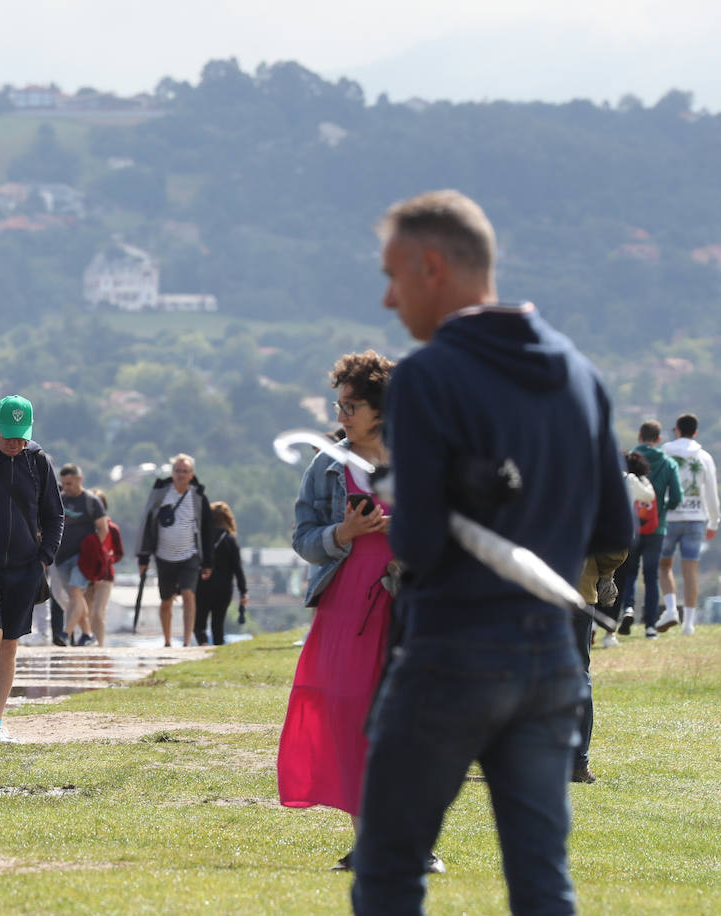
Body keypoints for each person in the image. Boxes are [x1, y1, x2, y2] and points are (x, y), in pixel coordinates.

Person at [353, 190, 633, 914]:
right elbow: (616, 531)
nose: (388, 298)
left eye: (393, 275)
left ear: (433, 267)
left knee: (389, 869)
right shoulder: (580, 373)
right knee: (542, 883)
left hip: (451, 651)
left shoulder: (426, 376)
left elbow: (412, 542)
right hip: (551, 659)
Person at [279, 351, 411, 871]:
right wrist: (343, 533)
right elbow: (303, 538)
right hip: (346, 603)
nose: (341, 416)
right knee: (347, 716)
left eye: (351, 405)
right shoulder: (326, 465)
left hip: (408, 605)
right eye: (338, 405)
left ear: (380, 408)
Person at [0, 395, 63, 744]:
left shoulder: (38, 462)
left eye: (21, 436)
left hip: (25, 567)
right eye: (9, 435)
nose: (15, 443)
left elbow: (54, 514)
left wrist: (44, 558)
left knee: (9, 644)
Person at [137, 454, 213, 647]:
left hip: (190, 554)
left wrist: (208, 562)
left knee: (189, 594)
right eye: (178, 471)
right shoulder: (161, 494)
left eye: (185, 471)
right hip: (164, 555)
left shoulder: (198, 497)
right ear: (172, 473)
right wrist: (143, 557)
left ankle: (187, 641)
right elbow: (147, 522)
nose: (181, 475)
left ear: (191, 474)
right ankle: (168, 641)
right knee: (166, 600)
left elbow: (207, 529)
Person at [658, 413, 719, 634]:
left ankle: (672, 608)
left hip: (669, 517)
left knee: (664, 566)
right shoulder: (703, 457)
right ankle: (689, 624)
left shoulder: (665, 453)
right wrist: (714, 521)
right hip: (696, 518)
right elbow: (711, 492)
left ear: (677, 430)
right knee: (690, 569)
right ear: (695, 432)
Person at [571, 550, 625, 783]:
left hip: (528, 589)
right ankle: (578, 764)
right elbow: (616, 547)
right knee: (578, 676)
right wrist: (601, 572)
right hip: (580, 590)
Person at [630, 421, 681, 638]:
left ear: (640, 436)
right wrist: (662, 509)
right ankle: (650, 626)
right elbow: (677, 497)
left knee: (628, 573)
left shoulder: (629, 459)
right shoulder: (668, 463)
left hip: (630, 525)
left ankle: (626, 611)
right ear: (659, 439)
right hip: (657, 527)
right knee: (651, 576)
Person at [50, 464, 107, 647]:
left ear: (79, 480)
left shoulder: (91, 501)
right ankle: (88, 634)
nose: (67, 488)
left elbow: (103, 528)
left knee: (75, 592)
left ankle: (65, 634)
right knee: (76, 597)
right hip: (61, 557)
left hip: (82, 558)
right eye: (64, 484)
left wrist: (93, 552)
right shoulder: (60, 500)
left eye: (70, 483)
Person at [607, 451, 657, 642]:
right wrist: (642, 477)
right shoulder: (630, 480)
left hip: (598, 537)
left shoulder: (602, 474)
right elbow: (649, 495)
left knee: (593, 581)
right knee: (619, 581)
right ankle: (610, 631)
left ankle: (593, 624)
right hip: (624, 537)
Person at [193, 501, 247, 647]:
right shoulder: (230, 540)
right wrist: (243, 592)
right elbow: (238, 568)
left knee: (199, 625)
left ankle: (204, 647)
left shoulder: (202, 539)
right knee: (218, 625)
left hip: (203, 585)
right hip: (224, 589)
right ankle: (216, 652)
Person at [80, 488, 123, 647]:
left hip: (105, 576)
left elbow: (119, 553)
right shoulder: (83, 529)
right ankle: (87, 640)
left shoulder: (112, 529)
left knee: (98, 612)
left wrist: (107, 558)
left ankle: (100, 644)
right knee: (86, 612)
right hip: (86, 575)